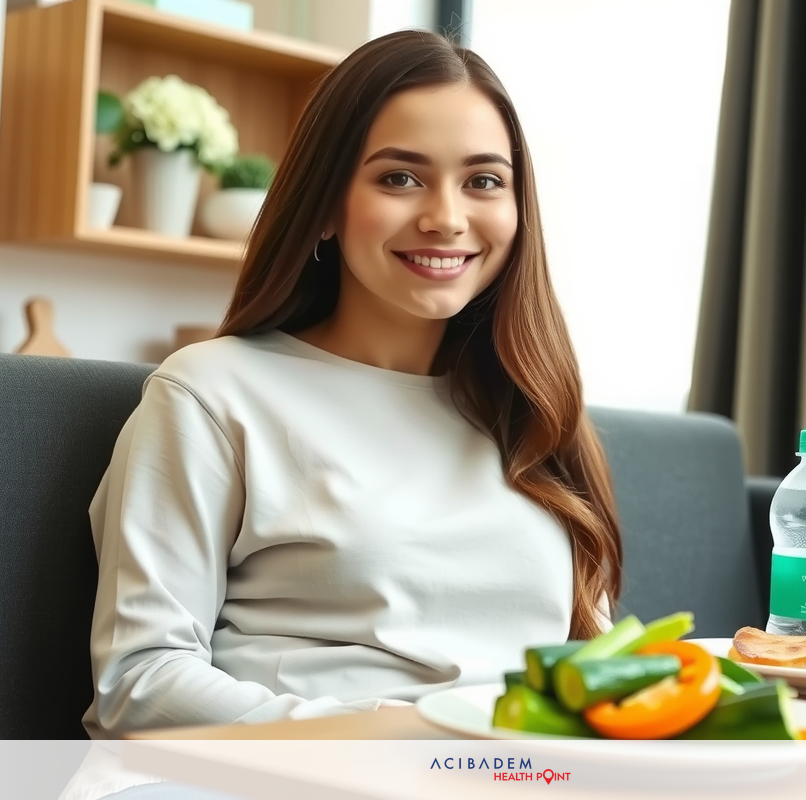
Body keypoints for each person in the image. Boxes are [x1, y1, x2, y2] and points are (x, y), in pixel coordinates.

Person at [59, 28, 623, 800]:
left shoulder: (528, 409)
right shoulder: (212, 393)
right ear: (325, 206)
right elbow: (141, 683)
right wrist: (397, 741)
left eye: (485, 182)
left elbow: (585, 674)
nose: (447, 218)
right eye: (400, 178)